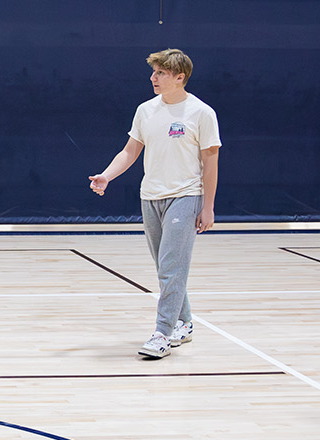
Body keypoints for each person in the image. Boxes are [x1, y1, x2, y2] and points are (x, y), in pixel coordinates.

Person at [88, 48, 221, 359]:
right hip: (150, 197)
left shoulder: (201, 113)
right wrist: (107, 176)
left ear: (179, 77)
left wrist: (208, 207)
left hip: (186, 196)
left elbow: (210, 162)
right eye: (153, 72)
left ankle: (162, 333)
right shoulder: (145, 111)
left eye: (160, 73)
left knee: (172, 267)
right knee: (166, 267)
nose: (153, 78)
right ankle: (184, 323)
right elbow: (130, 151)